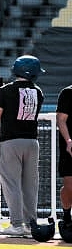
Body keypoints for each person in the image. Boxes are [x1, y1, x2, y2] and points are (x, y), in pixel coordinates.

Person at [0, 55, 45, 236]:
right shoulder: (38, 92)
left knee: (11, 184)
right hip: (32, 143)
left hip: (10, 142)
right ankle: (30, 224)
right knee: (30, 185)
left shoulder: (5, 91)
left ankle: (17, 225)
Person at [55, 84, 72, 227]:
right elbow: (61, 119)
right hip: (70, 149)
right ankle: (67, 218)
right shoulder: (67, 92)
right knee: (69, 186)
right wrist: (68, 141)